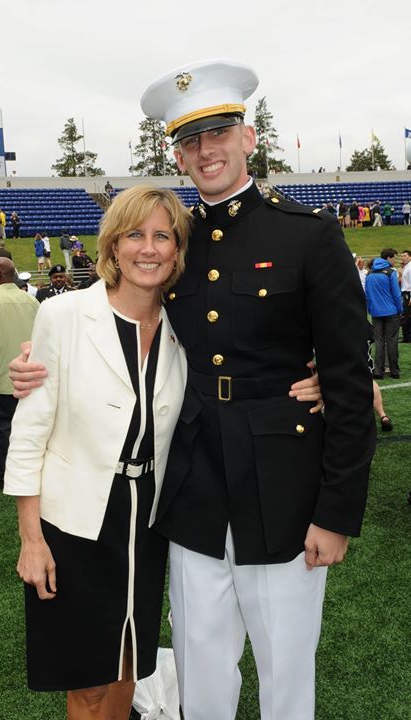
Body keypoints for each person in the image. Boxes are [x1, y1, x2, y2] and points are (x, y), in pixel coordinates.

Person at [138, 59, 375, 720]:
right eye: (189, 140)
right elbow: (121, 318)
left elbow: (350, 387)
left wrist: (336, 512)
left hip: (286, 488)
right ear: (177, 154)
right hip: (195, 488)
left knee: (285, 676)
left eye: (218, 132)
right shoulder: (173, 242)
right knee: (202, 671)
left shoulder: (309, 235)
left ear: (248, 137)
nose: (205, 149)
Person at [4, 186, 192, 719]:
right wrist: (31, 539)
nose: (149, 248)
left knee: (130, 667)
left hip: (148, 521)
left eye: (163, 236)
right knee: (86, 682)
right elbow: (28, 436)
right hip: (75, 523)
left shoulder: (187, 327)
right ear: (112, 247)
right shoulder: (63, 316)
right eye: (135, 235)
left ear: (177, 251)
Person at [0, 258, 39, 489]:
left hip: (4, 379)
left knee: (2, 430)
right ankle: (32, 473)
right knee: (31, 430)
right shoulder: (31, 301)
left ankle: (4, 477)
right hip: (31, 378)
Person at [365, 248, 402, 378]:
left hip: (376, 312)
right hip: (391, 312)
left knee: (379, 342)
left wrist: (370, 309)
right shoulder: (391, 273)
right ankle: (394, 371)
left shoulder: (369, 274)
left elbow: (368, 295)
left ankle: (378, 371)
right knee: (392, 341)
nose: (395, 260)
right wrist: (400, 310)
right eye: (394, 258)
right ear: (388, 258)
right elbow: (396, 295)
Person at [400, 249, 411, 342]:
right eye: (402, 256)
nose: (403, 258)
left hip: (408, 294)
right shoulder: (406, 266)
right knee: (406, 315)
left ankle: (407, 337)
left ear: (410, 257)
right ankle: (407, 336)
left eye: (405, 256)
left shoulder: (410, 267)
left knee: (407, 316)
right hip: (405, 293)